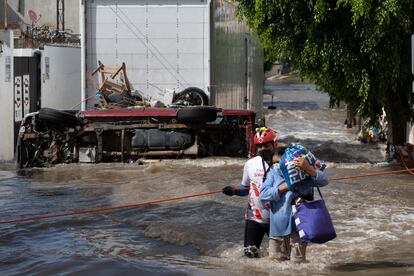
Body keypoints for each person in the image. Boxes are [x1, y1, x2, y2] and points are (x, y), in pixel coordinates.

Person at [259, 148, 328, 262]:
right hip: (277, 229)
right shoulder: (274, 172)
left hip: (299, 228)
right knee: (275, 265)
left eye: (279, 162)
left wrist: (308, 169)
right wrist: (283, 188)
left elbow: (324, 181)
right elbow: (263, 194)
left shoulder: (304, 174)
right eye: (275, 162)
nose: (277, 165)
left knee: (297, 265)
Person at [222, 127, 278, 258]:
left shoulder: (283, 165)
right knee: (249, 256)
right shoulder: (250, 164)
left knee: (280, 259)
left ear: (274, 144)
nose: (262, 149)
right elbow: (246, 188)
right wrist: (234, 191)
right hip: (254, 218)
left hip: (277, 220)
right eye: (259, 146)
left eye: (266, 145)